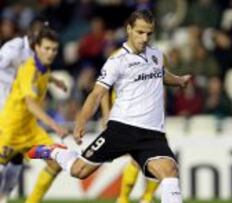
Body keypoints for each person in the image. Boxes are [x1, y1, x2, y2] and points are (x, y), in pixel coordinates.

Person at [28, 10, 190, 203]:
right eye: (140, 32)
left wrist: (178, 81)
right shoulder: (117, 61)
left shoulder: (156, 55)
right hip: (122, 129)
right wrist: (81, 122)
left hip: (152, 133)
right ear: (128, 29)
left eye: (149, 33)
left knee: (170, 172)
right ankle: (55, 151)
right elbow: (97, 93)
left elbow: (160, 74)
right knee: (78, 171)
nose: (145, 38)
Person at [0, 20, 66, 203]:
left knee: (52, 162)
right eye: (46, 46)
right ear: (33, 38)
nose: (50, 51)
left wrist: (54, 81)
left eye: (53, 49)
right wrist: (55, 125)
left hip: (29, 128)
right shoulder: (13, 50)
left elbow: (40, 74)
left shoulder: (41, 61)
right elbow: (30, 100)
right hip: (9, 122)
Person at [100, 91, 159, 203]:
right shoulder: (118, 75)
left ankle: (140, 198)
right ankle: (137, 198)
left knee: (156, 158)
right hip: (126, 115)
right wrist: (106, 115)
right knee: (140, 158)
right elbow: (103, 89)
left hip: (147, 115)